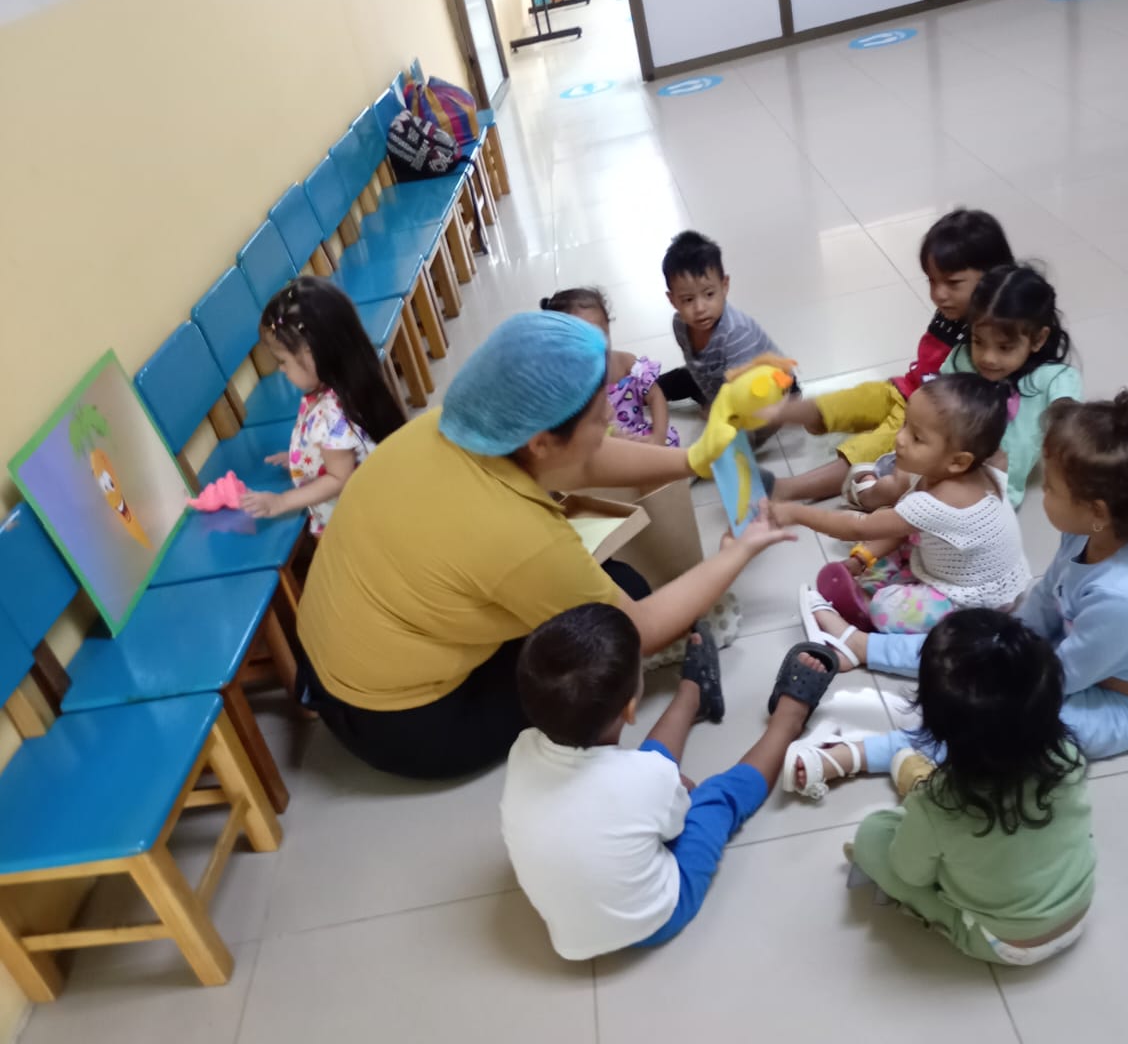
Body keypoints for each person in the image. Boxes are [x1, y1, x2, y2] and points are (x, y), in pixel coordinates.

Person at [295, 311, 792, 779]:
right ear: (540, 443)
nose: (610, 418)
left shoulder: (455, 424)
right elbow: (637, 629)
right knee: (608, 631)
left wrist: (693, 460)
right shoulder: (515, 532)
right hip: (405, 722)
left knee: (613, 584)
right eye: (598, 416)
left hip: (333, 654)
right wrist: (737, 552)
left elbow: (586, 456)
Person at [800, 392, 1128, 788]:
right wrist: (993, 645)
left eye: (1051, 488)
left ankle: (869, 753)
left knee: (1004, 730)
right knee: (978, 637)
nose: (1043, 494)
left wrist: (983, 683)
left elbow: (1060, 678)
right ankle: (862, 647)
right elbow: (1042, 605)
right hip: (1081, 652)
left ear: (1097, 511)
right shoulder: (1091, 533)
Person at [500, 603, 839, 958]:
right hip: (654, 919)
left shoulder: (522, 749)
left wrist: (657, 788)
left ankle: (693, 695)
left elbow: (634, 784)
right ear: (631, 708)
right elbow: (675, 823)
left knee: (641, 775)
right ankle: (787, 721)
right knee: (717, 799)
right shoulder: (644, 779)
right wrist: (676, 789)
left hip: (571, 930)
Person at [845, 610, 1094, 967]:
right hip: (1079, 909)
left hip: (1003, 943)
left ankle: (947, 919)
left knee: (874, 834)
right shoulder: (1069, 757)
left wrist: (923, 808)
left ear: (936, 722)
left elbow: (910, 873)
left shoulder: (941, 805)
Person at [769, 209, 1014, 502]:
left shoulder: (992, 337)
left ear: (991, 277)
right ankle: (767, 414)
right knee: (843, 402)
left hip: (927, 419)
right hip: (905, 387)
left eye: (952, 283)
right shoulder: (953, 311)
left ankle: (784, 489)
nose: (938, 294)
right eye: (932, 281)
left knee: (866, 451)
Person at [778, 375, 1030, 637]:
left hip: (973, 597)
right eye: (906, 424)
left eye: (917, 437)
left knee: (885, 607)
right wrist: (864, 557)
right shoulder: (973, 469)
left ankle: (866, 607)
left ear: (958, 461)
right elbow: (904, 529)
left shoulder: (940, 502)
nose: (900, 438)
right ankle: (876, 574)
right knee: (895, 525)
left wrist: (797, 513)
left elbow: (858, 527)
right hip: (959, 562)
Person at [854, 263, 1081, 512]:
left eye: (1004, 347)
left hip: (997, 491)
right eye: (978, 341)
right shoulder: (962, 360)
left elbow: (1068, 417)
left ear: (1038, 339)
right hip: (942, 465)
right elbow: (933, 409)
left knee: (939, 512)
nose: (988, 358)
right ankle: (868, 489)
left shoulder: (1053, 377)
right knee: (893, 490)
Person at [240, 277, 404, 536]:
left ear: (311, 352)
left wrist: (280, 502)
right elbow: (333, 450)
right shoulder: (344, 384)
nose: (281, 370)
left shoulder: (331, 414)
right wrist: (300, 459)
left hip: (356, 527)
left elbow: (338, 478)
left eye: (282, 361)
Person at [656, 230, 786, 410]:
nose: (700, 308)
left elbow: (743, 390)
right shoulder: (680, 324)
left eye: (709, 294)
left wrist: (718, 410)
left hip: (765, 387)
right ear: (672, 300)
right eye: (688, 299)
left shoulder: (736, 332)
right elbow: (695, 369)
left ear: (724, 286)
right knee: (658, 386)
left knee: (757, 414)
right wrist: (711, 399)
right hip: (714, 378)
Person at [541, 287, 679, 447]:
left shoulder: (625, 362)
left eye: (600, 335)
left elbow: (655, 396)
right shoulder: (567, 383)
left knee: (669, 440)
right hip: (599, 446)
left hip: (638, 436)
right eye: (581, 340)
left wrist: (658, 436)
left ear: (608, 327)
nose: (594, 347)